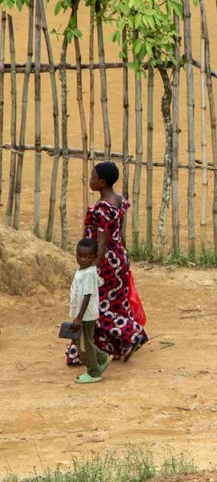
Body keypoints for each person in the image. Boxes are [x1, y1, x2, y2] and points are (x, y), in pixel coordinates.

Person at [67, 162, 147, 366]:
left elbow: (101, 242)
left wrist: (93, 267)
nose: (90, 180)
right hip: (119, 258)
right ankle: (112, 346)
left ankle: (133, 333)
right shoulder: (117, 199)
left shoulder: (103, 208)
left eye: (93, 177)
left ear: (102, 182)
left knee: (94, 306)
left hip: (106, 262)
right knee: (116, 303)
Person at [68, 238, 110, 384]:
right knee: (81, 341)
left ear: (94, 257)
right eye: (80, 256)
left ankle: (93, 372)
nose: (83, 259)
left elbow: (87, 296)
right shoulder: (84, 270)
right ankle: (102, 358)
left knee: (85, 345)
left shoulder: (89, 274)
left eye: (87, 257)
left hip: (85, 316)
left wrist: (79, 317)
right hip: (81, 314)